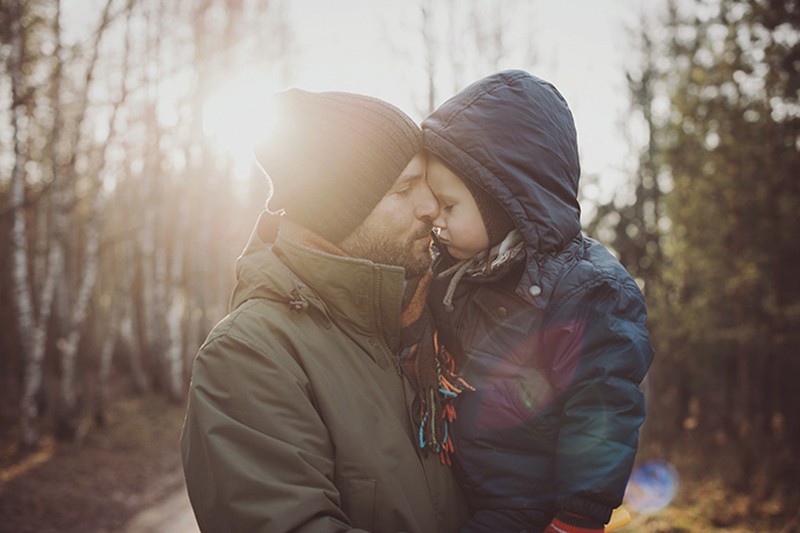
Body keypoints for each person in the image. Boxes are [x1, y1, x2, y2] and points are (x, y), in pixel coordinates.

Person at [180, 88, 467, 532]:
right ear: (340, 214)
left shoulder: (435, 309)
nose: (430, 207)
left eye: (425, 184)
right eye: (404, 189)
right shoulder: (249, 354)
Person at [421, 70, 655, 533]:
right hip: (462, 489)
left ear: (504, 199)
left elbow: (603, 410)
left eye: (448, 206)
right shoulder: (456, 274)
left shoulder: (586, 289)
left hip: (529, 506)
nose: (435, 220)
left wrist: (577, 516)